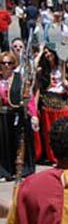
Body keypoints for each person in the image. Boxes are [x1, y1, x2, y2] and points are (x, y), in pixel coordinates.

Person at [0, 52, 35, 181]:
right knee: (3, 145)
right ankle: (5, 172)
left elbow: (29, 98)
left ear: (14, 64)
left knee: (20, 143)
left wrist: (33, 114)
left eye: (9, 63)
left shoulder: (20, 78)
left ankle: (23, 171)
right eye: (3, 63)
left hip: (18, 114)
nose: (6, 65)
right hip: (2, 116)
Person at [36, 45, 68, 164]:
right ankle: (53, 157)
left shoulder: (63, 66)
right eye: (45, 53)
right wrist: (40, 52)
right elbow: (32, 68)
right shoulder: (42, 70)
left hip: (62, 102)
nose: (48, 55)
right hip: (48, 102)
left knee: (64, 131)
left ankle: (66, 156)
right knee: (49, 132)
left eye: (50, 52)